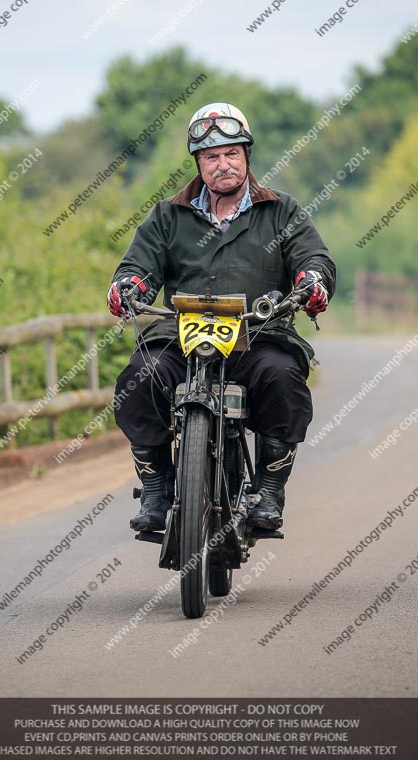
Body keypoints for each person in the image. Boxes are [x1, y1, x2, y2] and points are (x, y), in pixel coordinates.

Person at [107, 102, 336, 533]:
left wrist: (313, 281)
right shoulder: (167, 215)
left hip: (258, 335)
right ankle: (157, 489)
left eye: (231, 153)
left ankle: (269, 490)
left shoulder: (281, 211)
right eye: (211, 156)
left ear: (247, 155)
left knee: (284, 379)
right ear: (198, 162)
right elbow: (138, 265)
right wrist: (128, 286)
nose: (223, 164)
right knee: (140, 378)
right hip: (180, 338)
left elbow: (314, 257)